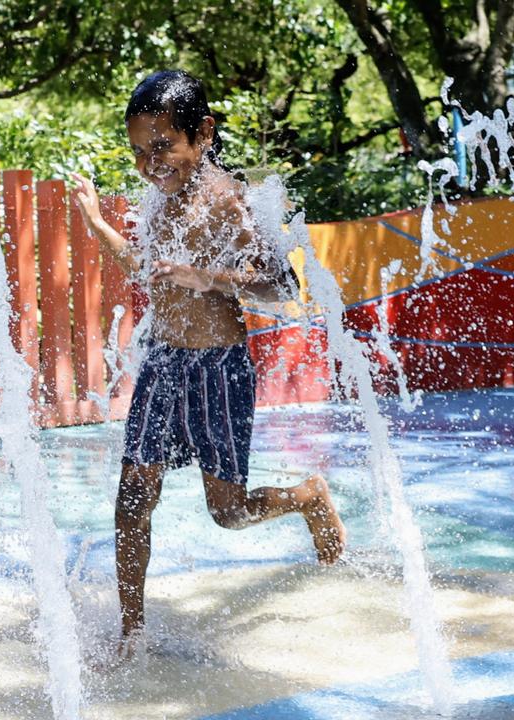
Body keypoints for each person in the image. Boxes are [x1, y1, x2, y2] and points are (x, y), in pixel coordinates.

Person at [71, 70, 345, 658]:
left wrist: (209, 278)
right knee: (131, 504)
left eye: (164, 145)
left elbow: (279, 285)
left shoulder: (229, 199)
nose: (151, 163)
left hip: (219, 370)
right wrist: (97, 224)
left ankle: (308, 497)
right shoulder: (160, 200)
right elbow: (145, 268)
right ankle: (132, 634)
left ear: (204, 133)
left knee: (229, 512)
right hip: (163, 367)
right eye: (140, 151)